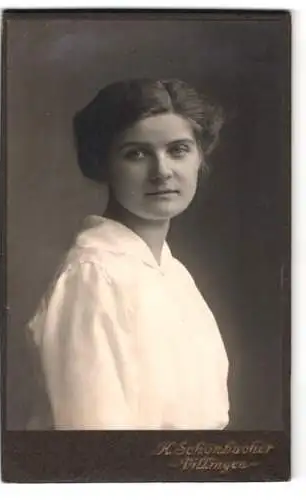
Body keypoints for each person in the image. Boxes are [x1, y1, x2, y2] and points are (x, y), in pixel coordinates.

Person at [26, 78, 229, 430]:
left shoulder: (172, 272)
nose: (162, 171)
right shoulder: (93, 275)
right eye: (136, 153)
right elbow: (96, 445)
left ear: (200, 158)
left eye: (178, 150)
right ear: (103, 164)